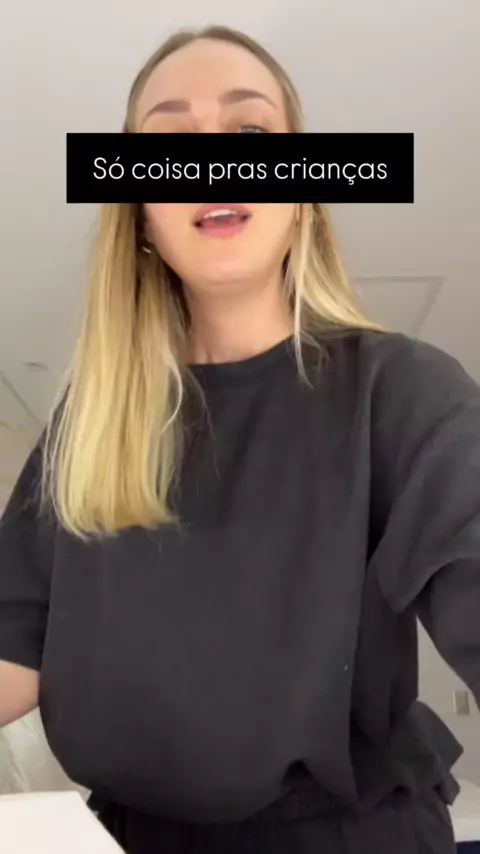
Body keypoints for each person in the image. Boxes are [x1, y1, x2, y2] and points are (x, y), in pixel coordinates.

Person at [0, 24, 479, 854]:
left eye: (250, 130)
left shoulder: (402, 393)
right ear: (141, 214)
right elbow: (12, 647)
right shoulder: (86, 426)